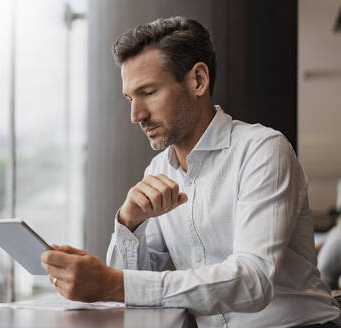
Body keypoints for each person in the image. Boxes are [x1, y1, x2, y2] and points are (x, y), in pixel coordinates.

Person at [40, 16, 341, 327]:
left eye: (149, 92)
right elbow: (131, 287)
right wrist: (129, 224)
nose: (136, 115)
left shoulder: (263, 150)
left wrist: (115, 284)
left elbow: (254, 281)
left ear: (198, 80)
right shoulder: (158, 170)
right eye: (131, 98)